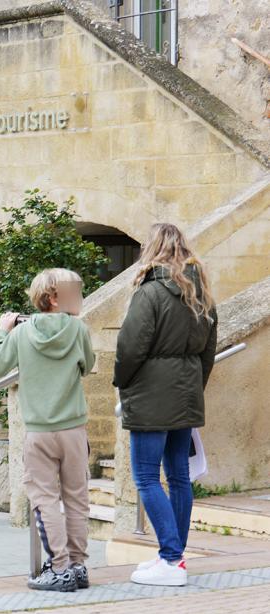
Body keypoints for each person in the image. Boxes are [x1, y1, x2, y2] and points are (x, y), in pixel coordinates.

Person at [114, 223, 217, 587]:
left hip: (151, 395)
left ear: (152, 249)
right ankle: (172, 556)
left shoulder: (150, 291)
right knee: (177, 476)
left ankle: (171, 558)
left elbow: (130, 348)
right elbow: (208, 352)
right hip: (185, 393)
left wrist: (121, 383)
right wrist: (193, 388)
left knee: (145, 475)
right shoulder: (201, 292)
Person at [0, 269, 95, 592]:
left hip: (39, 431)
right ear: (57, 297)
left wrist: (1, 332)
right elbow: (87, 366)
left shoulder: (21, 334)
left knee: (45, 498)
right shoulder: (78, 330)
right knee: (77, 498)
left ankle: (59, 567)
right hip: (74, 429)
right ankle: (77, 566)